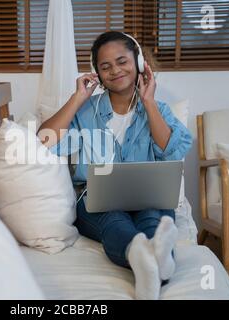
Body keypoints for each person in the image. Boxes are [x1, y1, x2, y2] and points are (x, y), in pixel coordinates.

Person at [37, 31, 192, 300]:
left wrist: (149, 102)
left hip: (149, 197)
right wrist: (77, 99)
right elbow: (44, 141)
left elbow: (171, 150)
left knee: (152, 219)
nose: (115, 70)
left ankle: (156, 259)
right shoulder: (87, 111)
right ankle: (142, 255)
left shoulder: (159, 108)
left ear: (139, 63)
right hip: (98, 200)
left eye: (122, 61)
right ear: (96, 73)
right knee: (113, 222)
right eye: (105, 66)